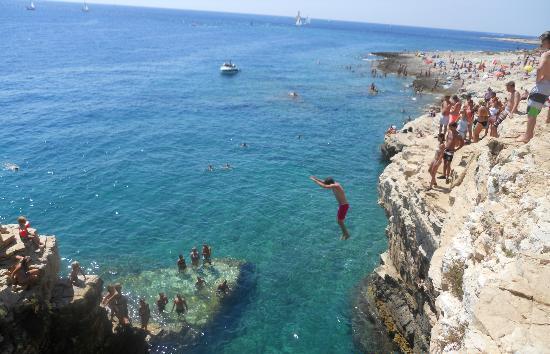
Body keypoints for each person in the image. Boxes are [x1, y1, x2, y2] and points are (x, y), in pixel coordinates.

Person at [518, 32, 550, 143]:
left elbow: (539, 68)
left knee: (532, 111)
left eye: (543, 42)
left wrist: (538, 80)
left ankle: (528, 135)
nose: (542, 44)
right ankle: (531, 131)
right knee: (538, 108)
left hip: (544, 85)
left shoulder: (546, 54)